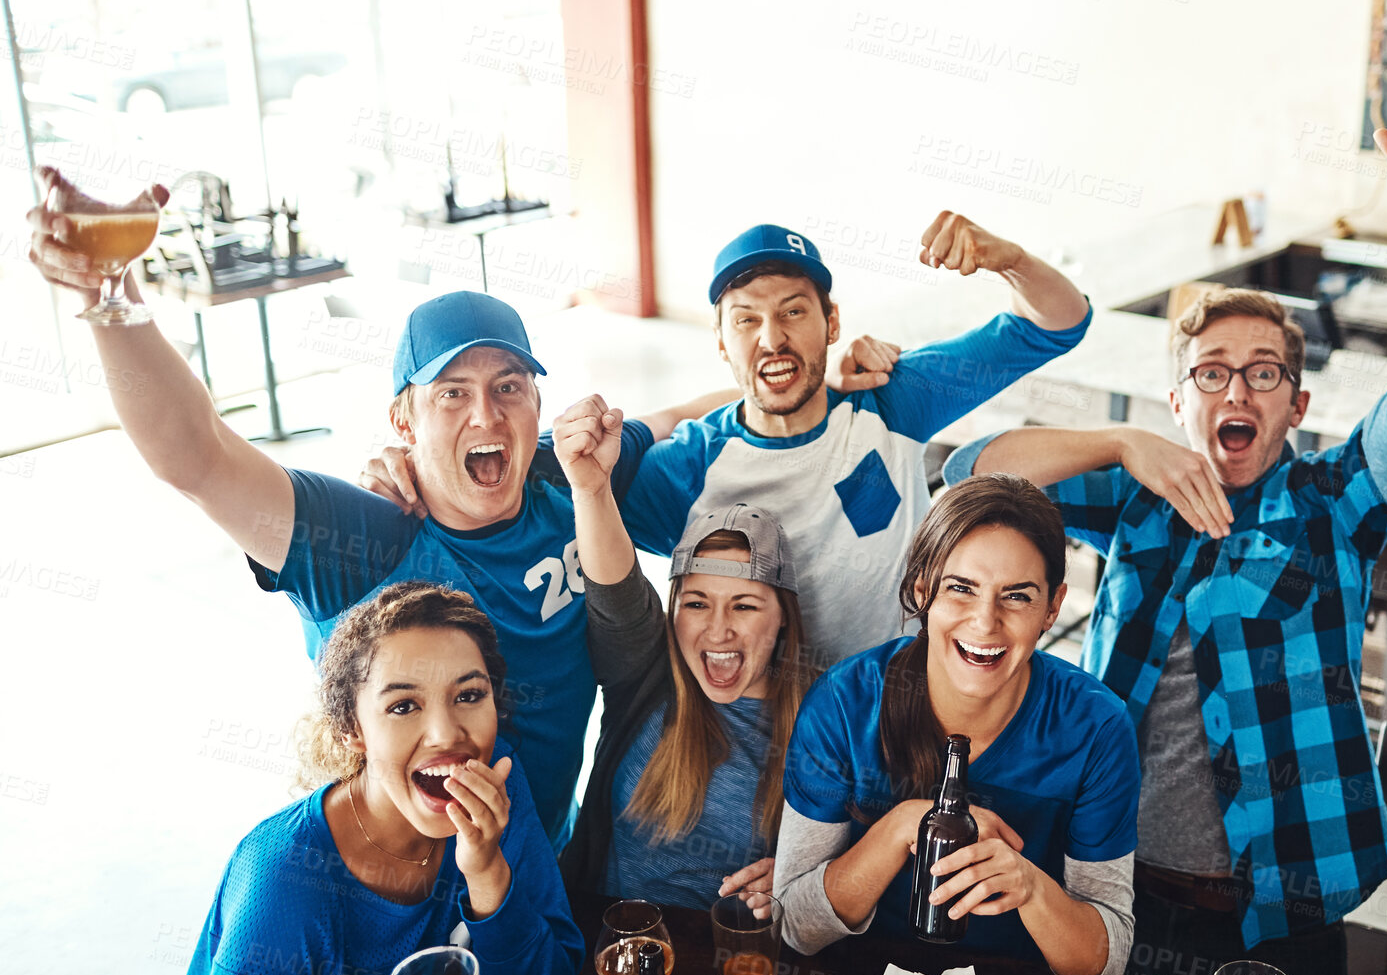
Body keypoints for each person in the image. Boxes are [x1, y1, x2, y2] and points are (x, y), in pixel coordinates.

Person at [939, 110, 1387, 975]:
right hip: (1120, 883)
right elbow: (971, 473)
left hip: (1287, 901)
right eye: (1211, 371)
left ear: (1296, 402)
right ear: (1179, 399)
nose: (1236, 388)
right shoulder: (1134, 496)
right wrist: (1121, 442)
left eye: (1262, 372)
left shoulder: (1336, 502)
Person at [23, 168, 714, 851]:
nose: (487, 413)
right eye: (451, 392)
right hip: (402, 878)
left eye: (509, 385)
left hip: (537, 861)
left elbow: (680, 415)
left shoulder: (568, 477)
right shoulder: (361, 535)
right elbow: (196, 456)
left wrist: (814, 378)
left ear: (538, 402)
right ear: (402, 421)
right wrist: (115, 298)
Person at [364, 212, 1092, 673]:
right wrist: (412, 470)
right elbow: (534, 485)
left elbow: (1058, 324)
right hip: (761, 734)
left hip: (897, 704)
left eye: (794, 312)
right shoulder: (683, 469)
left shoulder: (893, 401)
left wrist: (1009, 257)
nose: (773, 337)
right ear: (719, 340)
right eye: (746, 320)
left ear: (831, 322)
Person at [145, 581, 584, 975]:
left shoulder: (496, 786)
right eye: (403, 706)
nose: (445, 734)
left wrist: (487, 872)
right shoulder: (282, 877)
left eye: (469, 695)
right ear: (352, 729)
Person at [774, 474, 1140, 975]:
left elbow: (1103, 965)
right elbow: (794, 925)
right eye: (961, 588)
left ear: (1052, 609)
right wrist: (904, 825)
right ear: (923, 590)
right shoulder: (843, 703)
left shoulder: (1097, 728)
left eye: (1016, 597)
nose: (985, 622)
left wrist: (1032, 887)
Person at [546, 396, 810, 908]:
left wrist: (805, 877)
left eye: (745, 606)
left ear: (782, 619)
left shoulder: (820, 723)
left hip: (727, 970)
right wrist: (592, 488)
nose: (717, 631)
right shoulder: (649, 674)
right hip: (609, 956)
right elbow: (616, 590)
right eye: (696, 603)